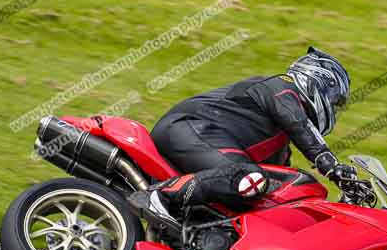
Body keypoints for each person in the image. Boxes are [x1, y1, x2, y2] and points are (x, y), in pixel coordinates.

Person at [128, 47, 357, 234]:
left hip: (200, 141)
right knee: (248, 176)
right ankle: (160, 195)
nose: (333, 109)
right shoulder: (281, 87)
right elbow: (299, 124)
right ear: (318, 81)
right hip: (188, 127)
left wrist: (338, 210)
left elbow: (280, 195)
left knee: (255, 188)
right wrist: (332, 167)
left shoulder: (280, 145)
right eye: (334, 101)